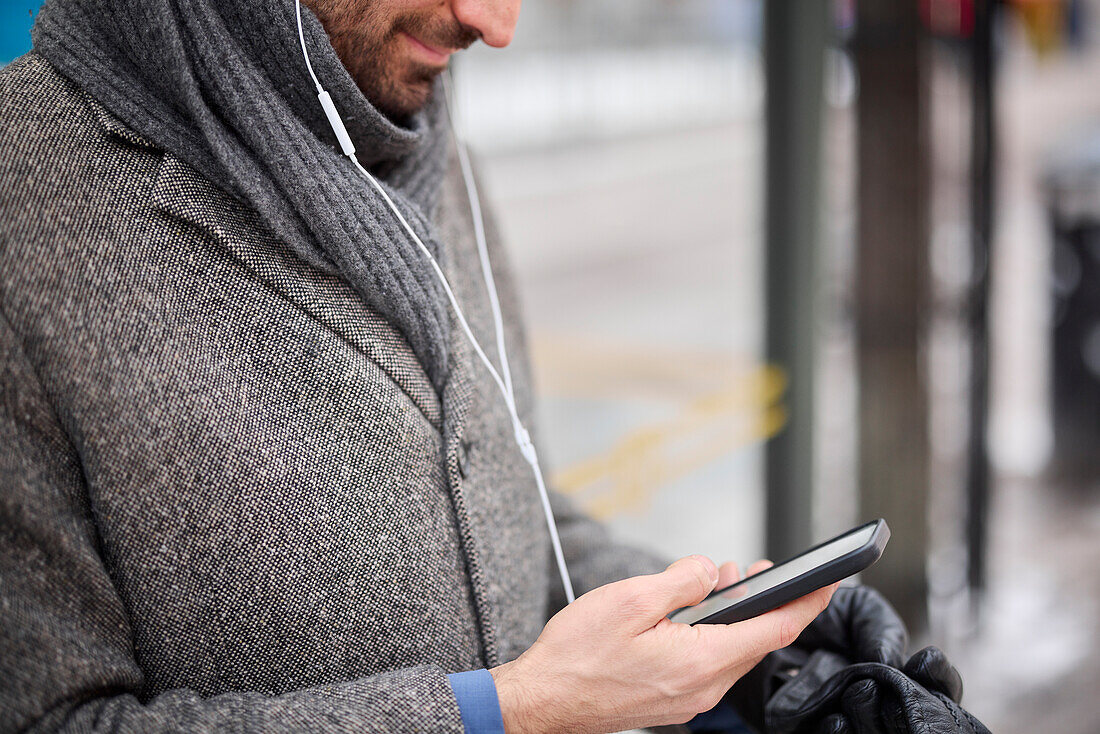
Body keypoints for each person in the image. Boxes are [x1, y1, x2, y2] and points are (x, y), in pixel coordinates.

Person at [2, 1, 911, 732]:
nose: (496, 23)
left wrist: (733, 631)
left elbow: (513, 517)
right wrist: (511, 712)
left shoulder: (431, 155)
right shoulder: (23, 199)